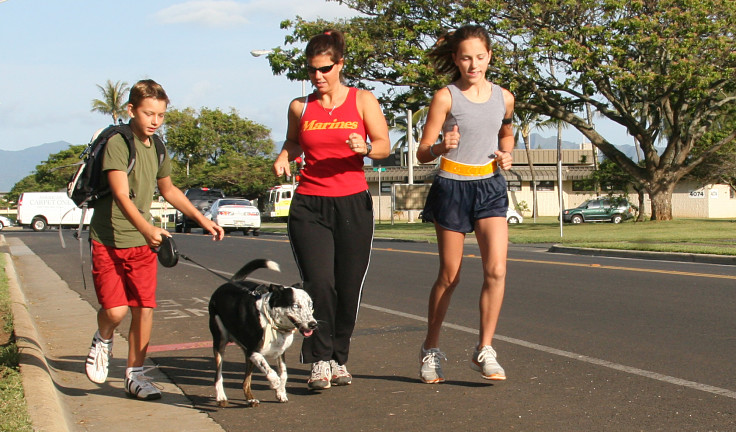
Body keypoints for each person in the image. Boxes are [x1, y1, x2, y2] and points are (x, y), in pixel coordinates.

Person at [84, 79, 225, 400]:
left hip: (144, 245)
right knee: (116, 311)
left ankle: (135, 375)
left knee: (143, 308)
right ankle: (103, 337)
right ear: (132, 110)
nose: (155, 121)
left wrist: (203, 219)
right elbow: (120, 193)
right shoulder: (120, 143)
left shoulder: (158, 146)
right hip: (108, 238)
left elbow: (170, 189)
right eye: (149, 114)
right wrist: (147, 228)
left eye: (160, 115)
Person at [272, 29, 390, 390]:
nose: (318, 76)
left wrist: (365, 148)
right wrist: (283, 155)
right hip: (310, 204)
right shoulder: (300, 106)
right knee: (319, 284)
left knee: (347, 285)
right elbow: (294, 141)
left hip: (353, 201)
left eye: (325, 68)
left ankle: (340, 358)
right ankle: (320, 360)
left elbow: (385, 145)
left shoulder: (362, 100)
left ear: (340, 64)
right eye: (311, 70)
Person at [415, 25, 515, 383]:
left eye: (479, 57)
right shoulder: (446, 97)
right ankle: (430, 349)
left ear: (489, 56)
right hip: (452, 186)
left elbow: (506, 131)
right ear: (455, 59)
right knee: (450, 275)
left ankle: (485, 348)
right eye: (465, 58)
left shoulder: (504, 97)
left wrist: (508, 154)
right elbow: (423, 152)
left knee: (497, 270)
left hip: (489, 186)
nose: (473, 64)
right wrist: (442, 146)